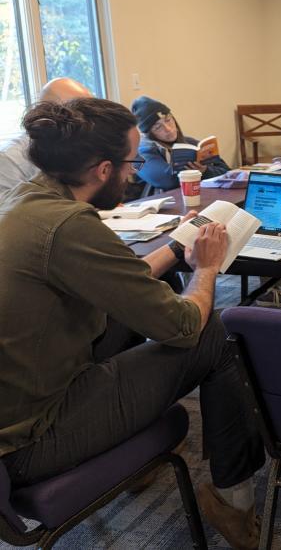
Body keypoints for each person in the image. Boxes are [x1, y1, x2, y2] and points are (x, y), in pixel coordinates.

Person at [0, 98, 265, 550]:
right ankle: (233, 502)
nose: (135, 173)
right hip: (29, 442)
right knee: (218, 332)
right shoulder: (68, 226)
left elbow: (118, 280)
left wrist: (180, 247)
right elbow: (183, 325)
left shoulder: (26, 201)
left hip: (15, 407)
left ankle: (134, 462)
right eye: (130, 162)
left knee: (123, 318)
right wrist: (206, 270)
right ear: (103, 169)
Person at [0, 77, 91, 194]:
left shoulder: (83, 148)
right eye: (81, 115)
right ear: (46, 113)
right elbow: (7, 210)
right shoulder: (10, 159)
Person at [131, 95, 231, 194]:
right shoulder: (140, 152)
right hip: (160, 207)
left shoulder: (191, 144)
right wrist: (196, 173)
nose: (168, 129)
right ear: (149, 133)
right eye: (158, 127)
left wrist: (206, 171)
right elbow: (167, 181)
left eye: (168, 120)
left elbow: (227, 171)